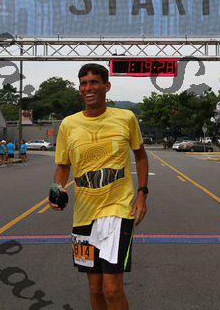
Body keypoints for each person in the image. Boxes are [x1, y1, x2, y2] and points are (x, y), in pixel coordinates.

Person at [50, 63, 148, 310]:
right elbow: (62, 165)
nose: (88, 88)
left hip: (118, 211)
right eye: (83, 83)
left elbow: (140, 156)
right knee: (95, 289)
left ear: (107, 86)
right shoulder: (68, 125)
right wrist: (56, 190)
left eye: (94, 82)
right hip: (84, 215)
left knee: (112, 290)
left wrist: (142, 193)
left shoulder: (126, 118)